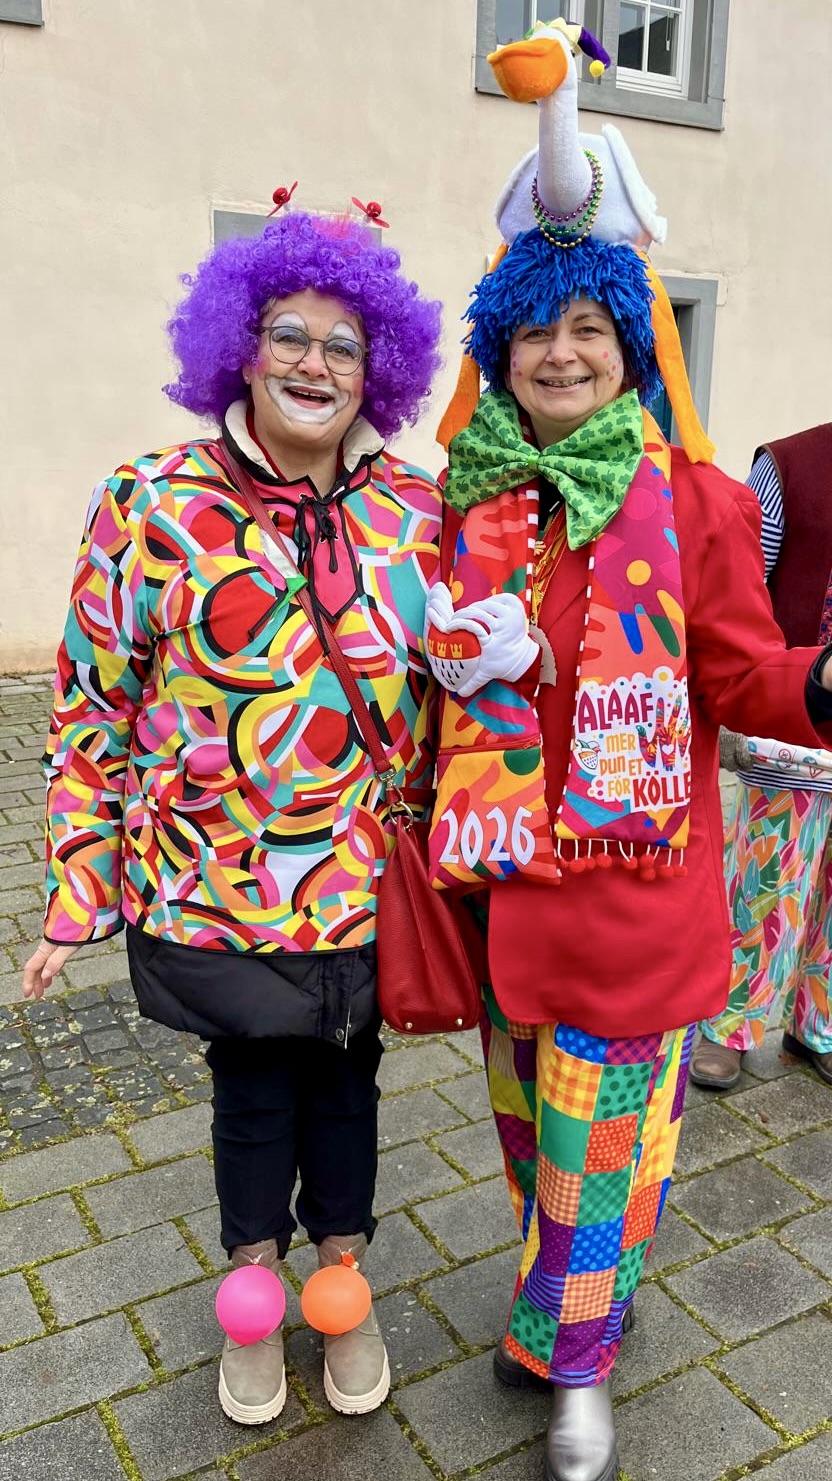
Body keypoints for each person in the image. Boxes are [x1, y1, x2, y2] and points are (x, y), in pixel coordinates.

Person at [421, 82, 832, 1481]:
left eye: (589, 324)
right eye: (534, 325)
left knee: (600, 1153)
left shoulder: (699, 502)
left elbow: (744, 676)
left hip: (636, 899)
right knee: (541, 1136)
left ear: (632, 345)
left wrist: (820, 688)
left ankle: (578, 1365)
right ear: (502, 343)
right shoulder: (465, 502)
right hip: (500, 900)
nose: (560, 351)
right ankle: (566, 1306)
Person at [22, 205, 442, 1427]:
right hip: (215, 883)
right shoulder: (150, 498)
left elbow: (465, 690)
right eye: (287, 335)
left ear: (380, 369)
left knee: (352, 1087)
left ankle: (342, 1283)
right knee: (253, 1092)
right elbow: (93, 706)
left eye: (343, 346)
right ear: (239, 347)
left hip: (367, 887)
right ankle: (254, 1298)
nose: (314, 365)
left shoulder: (414, 508)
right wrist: (78, 884)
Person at [690, 423, 832, 1091]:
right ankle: (727, 1026)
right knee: (767, 886)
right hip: (792, 728)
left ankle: (819, 1025)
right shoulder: (790, 465)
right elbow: (740, 581)